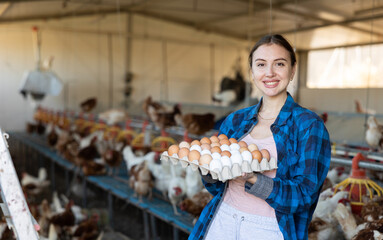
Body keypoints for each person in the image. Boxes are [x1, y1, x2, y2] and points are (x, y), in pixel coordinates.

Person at [189, 34, 331, 240]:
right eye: (261, 64)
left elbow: (304, 196)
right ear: (252, 73)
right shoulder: (236, 120)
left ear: (292, 70)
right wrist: (208, 170)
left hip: (269, 228)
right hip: (222, 219)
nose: (270, 73)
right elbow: (216, 187)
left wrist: (254, 179)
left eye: (279, 64)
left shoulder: (308, 125)